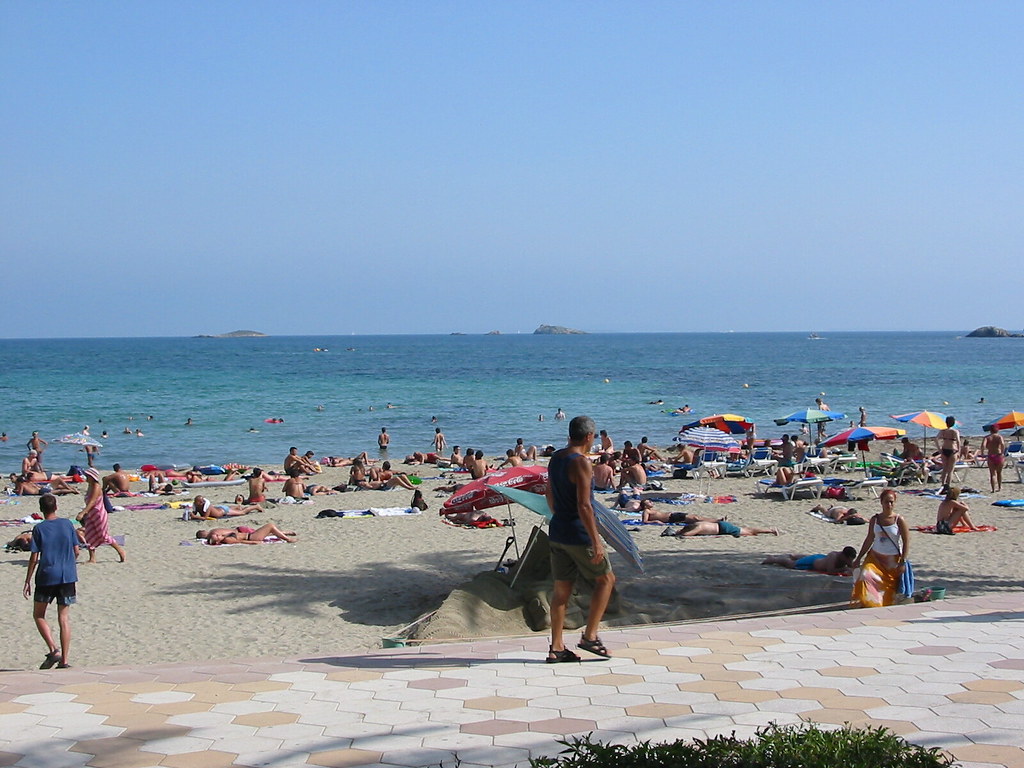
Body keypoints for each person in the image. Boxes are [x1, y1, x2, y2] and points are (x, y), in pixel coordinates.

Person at [546, 415, 615, 663]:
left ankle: (556, 647)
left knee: (561, 591)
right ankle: (590, 636)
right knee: (606, 579)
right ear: (588, 437)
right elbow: (585, 505)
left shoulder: (556, 458)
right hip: (578, 533)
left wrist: (559, 516)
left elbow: (549, 494)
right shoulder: (581, 462)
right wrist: (596, 540)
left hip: (557, 530)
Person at [23, 495, 78, 669]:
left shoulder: (39, 529)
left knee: (39, 614)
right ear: (57, 506)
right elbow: (76, 550)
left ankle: (54, 649)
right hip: (67, 576)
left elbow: (34, 556)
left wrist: (27, 580)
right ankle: (65, 660)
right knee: (64, 618)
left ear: (41, 509)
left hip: (47, 575)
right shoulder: (68, 524)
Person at [851, 488, 912, 608]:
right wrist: (859, 558)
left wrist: (903, 561)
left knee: (888, 588)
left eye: (891, 502)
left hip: (892, 561)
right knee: (865, 576)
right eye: (886, 502)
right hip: (875, 558)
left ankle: (879, 605)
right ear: (881, 502)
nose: (889, 505)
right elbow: (869, 539)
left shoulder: (899, 520)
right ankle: (868, 603)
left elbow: (906, 541)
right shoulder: (875, 520)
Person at [77, 468, 126, 564]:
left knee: (104, 536)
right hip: (91, 514)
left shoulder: (96, 487)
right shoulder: (90, 486)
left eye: (87, 476)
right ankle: (92, 558)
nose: (86, 477)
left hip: (99, 515)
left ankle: (120, 551)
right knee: (89, 535)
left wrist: (83, 512)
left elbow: (92, 502)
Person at [763, 547, 858, 574]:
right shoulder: (833, 556)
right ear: (843, 555)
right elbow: (830, 570)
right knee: (792, 564)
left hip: (820, 559)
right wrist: (844, 569)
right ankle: (773, 559)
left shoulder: (845, 559)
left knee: (806, 558)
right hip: (814, 562)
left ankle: (796, 555)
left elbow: (852, 567)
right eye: (848, 559)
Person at [196, 523, 296, 545]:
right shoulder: (227, 539)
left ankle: (285, 534)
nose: (218, 535)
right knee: (270, 526)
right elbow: (241, 541)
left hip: (251, 535)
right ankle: (287, 539)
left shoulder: (225, 537)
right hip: (252, 537)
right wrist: (253, 542)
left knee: (269, 529)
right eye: (217, 536)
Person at [667, 520, 778, 537]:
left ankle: (770, 530)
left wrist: (678, 535)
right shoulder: (697, 524)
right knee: (747, 530)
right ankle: (769, 530)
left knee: (749, 532)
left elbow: (686, 535)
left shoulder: (698, 527)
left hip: (723, 529)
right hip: (721, 525)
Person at [935, 416, 961, 490]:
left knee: (944, 469)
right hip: (953, 450)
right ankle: (948, 486)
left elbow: (936, 439)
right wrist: (959, 451)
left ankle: (943, 484)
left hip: (944, 449)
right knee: (950, 470)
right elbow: (958, 441)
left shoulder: (943, 431)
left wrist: (939, 449)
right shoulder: (955, 431)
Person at [980, 425, 1006, 492]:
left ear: (990, 430)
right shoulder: (999, 437)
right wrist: (1002, 452)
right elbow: (1002, 444)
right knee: (999, 473)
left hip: (991, 455)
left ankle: (993, 489)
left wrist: (982, 453)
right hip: (998, 455)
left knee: (992, 474)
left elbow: (983, 446)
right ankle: (999, 487)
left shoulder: (987, 437)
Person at [190, 496, 262, 519]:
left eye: (202, 501)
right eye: (200, 502)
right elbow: (194, 513)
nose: (202, 502)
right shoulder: (196, 505)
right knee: (237, 509)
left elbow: (205, 518)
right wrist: (191, 514)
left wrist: (194, 516)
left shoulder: (208, 506)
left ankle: (256, 506)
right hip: (219, 508)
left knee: (242, 512)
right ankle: (237, 507)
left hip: (223, 511)